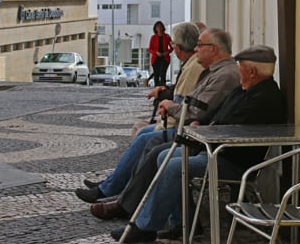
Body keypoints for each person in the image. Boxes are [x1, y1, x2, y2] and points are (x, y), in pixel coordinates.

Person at [108, 45, 288, 243]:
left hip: (231, 162)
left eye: (241, 67)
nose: (238, 71)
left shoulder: (263, 98)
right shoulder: (245, 89)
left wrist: (202, 131)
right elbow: (218, 112)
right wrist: (199, 123)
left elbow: (230, 129)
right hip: (214, 151)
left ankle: (146, 227)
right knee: (163, 156)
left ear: (252, 72)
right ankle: (179, 221)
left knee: (175, 166)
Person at [75, 28, 239, 203]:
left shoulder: (220, 73)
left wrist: (170, 106)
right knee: (146, 136)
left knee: (150, 142)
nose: (196, 49)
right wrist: (169, 99)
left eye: (200, 45)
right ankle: (119, 190)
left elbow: (193, 108)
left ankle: (125, 198)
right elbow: (190, 100)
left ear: (213, 49)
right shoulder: (213, 70)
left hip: (197, 135)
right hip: (193, 130)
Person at [148, 21, 173, 87]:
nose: (159, 28)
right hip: (156, 58)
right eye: (157, 27)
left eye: (160, 27)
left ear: (163, 27)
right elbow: (150, 49)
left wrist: (166, 52)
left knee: (163, 74)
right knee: (156, 74)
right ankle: (156, 88)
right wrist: (156, 52)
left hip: (165, 58)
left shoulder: (167, 37)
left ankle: (163, 88)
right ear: (155, 29)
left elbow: (172, 47)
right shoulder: (153, 37)